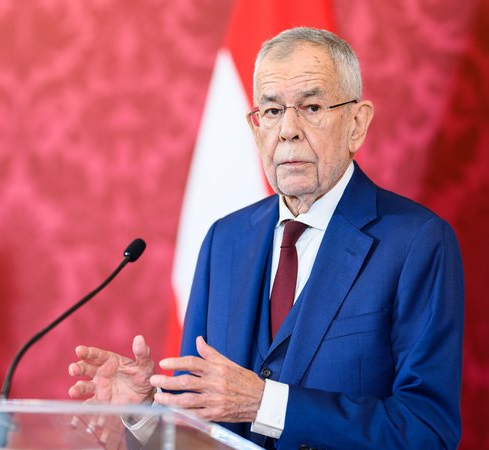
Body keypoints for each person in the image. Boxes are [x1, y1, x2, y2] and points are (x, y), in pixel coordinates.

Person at [67, 27, 464, 449]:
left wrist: (265, 405)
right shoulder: (225, 240)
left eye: (311, 107)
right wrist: (144, 413)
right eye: (272, 112)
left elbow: (428, 432)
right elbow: (199, 432)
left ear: (356, 124)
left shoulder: (417, 242)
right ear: (255, 127)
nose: (288, 130)